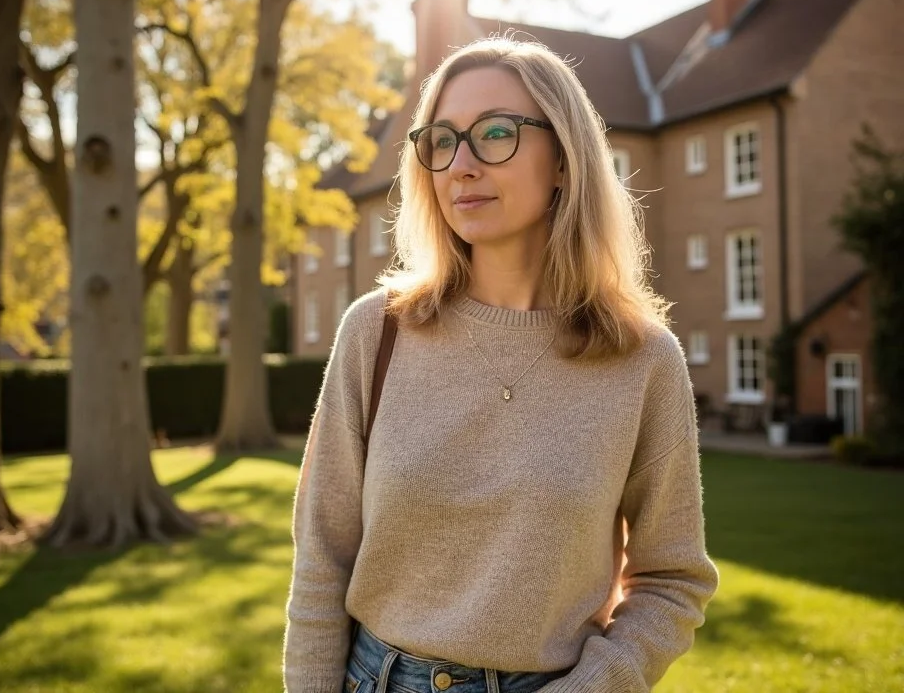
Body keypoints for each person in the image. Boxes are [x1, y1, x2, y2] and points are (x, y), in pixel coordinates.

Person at [283, 37, 719, 693]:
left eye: (495, 134)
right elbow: (321, 561)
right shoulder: (376, 332)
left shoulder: (642, 360)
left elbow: (672, 581)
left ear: (563, 160)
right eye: (442, 141)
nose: (460, 165)